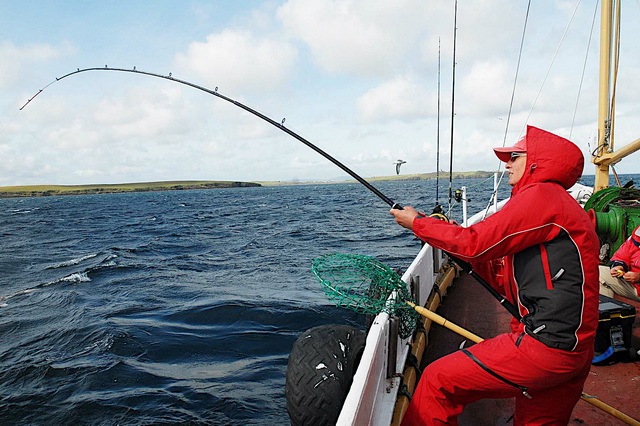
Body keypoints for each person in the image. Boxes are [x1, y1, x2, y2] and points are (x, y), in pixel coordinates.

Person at [390, 126, 600, 425]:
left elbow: (475, 244)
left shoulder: (542, 197)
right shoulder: (560, 203)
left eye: (515, 156)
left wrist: (419, 224)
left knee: (438, 382)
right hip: (574, 349)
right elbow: (500, 272)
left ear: (538, 161)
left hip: (546, 349)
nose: (507, 163)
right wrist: (449, 234)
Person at [599, 225, 640, 302]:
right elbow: (623, 254)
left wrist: (639, 277)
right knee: (598, 273)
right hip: (635, 286)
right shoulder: (639, 232)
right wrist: (618, 266)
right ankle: (608, 311)